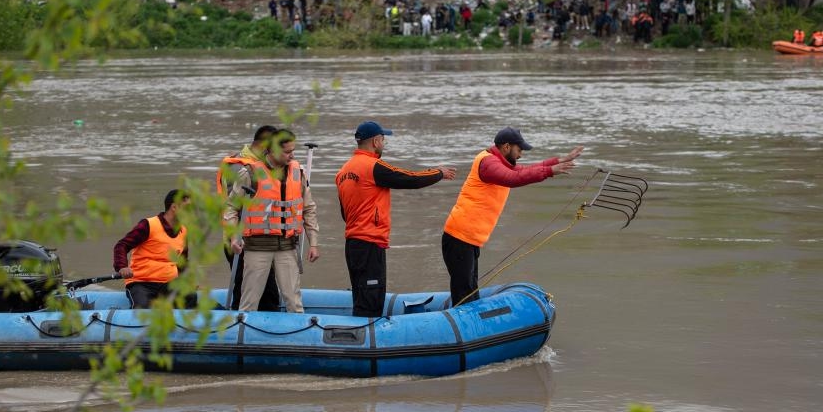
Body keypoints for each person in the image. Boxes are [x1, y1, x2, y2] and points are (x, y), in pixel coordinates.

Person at [441, 128, 583, 307]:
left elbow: (525, 169)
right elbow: (513, 178)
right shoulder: (487, 163)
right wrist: (550, 172)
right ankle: (464, 331)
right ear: (506, 147)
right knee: (463, 294)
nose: (521, 155)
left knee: (469, 290)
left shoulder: (499, 162)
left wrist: (559, 161)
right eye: (519, 150)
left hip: (469, 239)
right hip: (459, 237)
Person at [336, 121, 456, 317]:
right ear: (375, 141)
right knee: (371, 302)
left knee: (361, 296)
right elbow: (410, 178)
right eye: (383, 140)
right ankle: (367, 345)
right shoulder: (373, 166)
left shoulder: (342, 172)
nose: (384, 144)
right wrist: (438, 172)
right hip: (370, 244)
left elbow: (345, 214)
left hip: (353, 245)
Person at [224, 129, 319, 313]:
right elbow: (231, 209)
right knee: (249, 303)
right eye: (287, 151)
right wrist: (234, 237)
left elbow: (309, 209)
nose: (292, 155)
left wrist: (313, 243)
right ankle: (244, 338)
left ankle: (296, 337)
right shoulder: (249, 174)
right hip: (257, 248)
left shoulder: (298, 173)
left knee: (294, 302)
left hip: (287, 247)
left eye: (293, 150)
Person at [217, 125, 281, 311]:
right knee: (252, 293)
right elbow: (233, 208)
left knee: (265, 293)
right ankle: (240, 331)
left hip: (261, 239)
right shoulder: (239, 168)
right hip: (241, 241)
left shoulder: (262, 166)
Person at [113, 188, 197, 309]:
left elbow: (182, 263)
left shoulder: (184, 232)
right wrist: (122, 266)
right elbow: (121, 245)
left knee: (191, 296)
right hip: (141, 283)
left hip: (168, 285)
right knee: (142, 308)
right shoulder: (148, 225)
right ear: (174, 207)